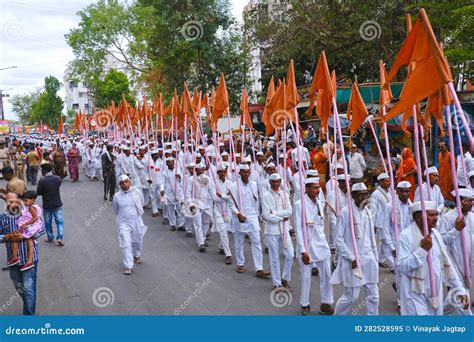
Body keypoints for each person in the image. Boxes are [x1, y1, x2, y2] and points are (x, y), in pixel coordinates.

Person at [396, 201, 468, 315]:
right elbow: (402, 266)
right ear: (418, 217)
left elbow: (446, 263)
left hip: (436, 290)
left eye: (436, 215)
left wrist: (459, 288)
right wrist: (422, 250)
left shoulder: (435, 234)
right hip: (415, 292)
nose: (436, 218)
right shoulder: (405, 236)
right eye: (431, 215)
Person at [331, 183, 379, 315]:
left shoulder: (368, 212)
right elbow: (338, 240)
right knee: (351, 296)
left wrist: (375, 257)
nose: (364, 197)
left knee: (373, 295)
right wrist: (351, 257)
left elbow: (371, 238)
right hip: (353, 261)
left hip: (369, 259)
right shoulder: (346, 212)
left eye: (366, 194)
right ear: (353, 196)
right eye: (361, 194)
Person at [294, 178, 334, 315]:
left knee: (327, 274)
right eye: (315, 188)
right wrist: (302, 250)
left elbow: (321, 224)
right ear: (307, 189)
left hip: (321, 242)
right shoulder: (299, 204)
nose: (318, 190)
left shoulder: (319, 202)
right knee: (306, 276)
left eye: (319, 188)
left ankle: (326, 302)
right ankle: (305, 304)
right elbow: (299, 229)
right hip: (307, 244)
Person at [0, 192, 39, 315]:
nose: (12, 204)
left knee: (28, 289)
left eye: (14, 201)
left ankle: (28, 318)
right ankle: (29, 304)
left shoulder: (28, 212)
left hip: (30, 259)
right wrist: (6, 237)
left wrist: (25, 235)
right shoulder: (2, 218)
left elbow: (41, 228)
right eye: (9, 201)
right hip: (13, 259)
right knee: (18, 286)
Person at [229, 164, 270, 278]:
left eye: (247, 172)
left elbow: (257, 201)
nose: (246, 174)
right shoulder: (234, 186)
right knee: (239, 241)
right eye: (243, 172)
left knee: (256, 242)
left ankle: (259, 268)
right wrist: (237, 214)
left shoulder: (254, 185)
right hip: (240, 216)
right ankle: (240, 264)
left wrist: (259, 214)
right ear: (239, 173)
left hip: (252, 216)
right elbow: (231, 204)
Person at [439, 189, 474, 315]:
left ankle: (438, 314)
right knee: (461, 294)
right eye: (469, 201)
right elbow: (442, 241)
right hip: (454, 263)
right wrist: (456, 229)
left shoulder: (472, 217)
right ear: (461, 202)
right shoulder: (448, 218)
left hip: (469, 262)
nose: (472, 203)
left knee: (455, 297)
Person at [262, 173, 294, 291]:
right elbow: (266, 215)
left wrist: (275, 213)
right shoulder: (265, 196)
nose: (276, 184)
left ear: (280, 182)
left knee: (290, 254)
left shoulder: (284, 194)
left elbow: (290, 212)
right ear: (270, 182)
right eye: (273, 181)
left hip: (284, 229)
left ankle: (285, 277)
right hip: (271, 231)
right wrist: (281, 216)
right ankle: (277, 283)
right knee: (274, 257)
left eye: (278, 181)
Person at [112, 175, 148, 275]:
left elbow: (142, 203)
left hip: (136, 221)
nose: (124, 184)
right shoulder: (117, 196)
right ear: (119, 185)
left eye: (126, 182)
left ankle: (137, 255)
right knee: (126, 244)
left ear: (130, 182)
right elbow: (116, 210)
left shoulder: (137, 192)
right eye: (122, 183)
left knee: (138, 240)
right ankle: (128, 265)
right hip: (123, 223)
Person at [8, 191, 42, 272]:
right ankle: (29, 261)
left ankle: (15, 257)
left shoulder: (31, 207)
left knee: (15, 238)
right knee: (30, 243)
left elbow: (35, 218)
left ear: (33, 200)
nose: (24, 202)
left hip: (30, 226)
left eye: (25, 200)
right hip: (33, 227)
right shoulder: (30, 206)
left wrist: (26, 224)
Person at [209, 163, 233, 265]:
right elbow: (214, 198)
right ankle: (228, 255)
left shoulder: (230, 183)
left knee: (226, 230)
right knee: (222, 230)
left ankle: (221, 246)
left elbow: (231, 197)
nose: (223, 173)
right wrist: (225, 197)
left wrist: (222, 196)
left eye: (224, 172)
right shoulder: (213, 184)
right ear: (217, 173)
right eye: (221, 172)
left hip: (228, 210)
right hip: (218, 210)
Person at [37, 163, 64, 246]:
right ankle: (60, 238)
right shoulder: (57, 178)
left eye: (42, 170)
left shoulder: (42, 180)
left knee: (48, 222)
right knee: (59, 222)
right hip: (57, 204)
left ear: (44, 170)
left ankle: (50, 236)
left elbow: (39, 192)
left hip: (47, 205)